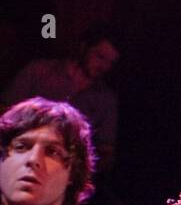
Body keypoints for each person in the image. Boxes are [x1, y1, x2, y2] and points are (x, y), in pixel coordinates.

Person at [2, 24, 121, 174]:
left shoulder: (106, 99)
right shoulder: (39, 71)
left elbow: (106, 152)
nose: (103, 67)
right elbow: (4, 111)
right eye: (100, 57)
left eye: (110, 63)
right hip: (16, 161)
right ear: (84, 47)